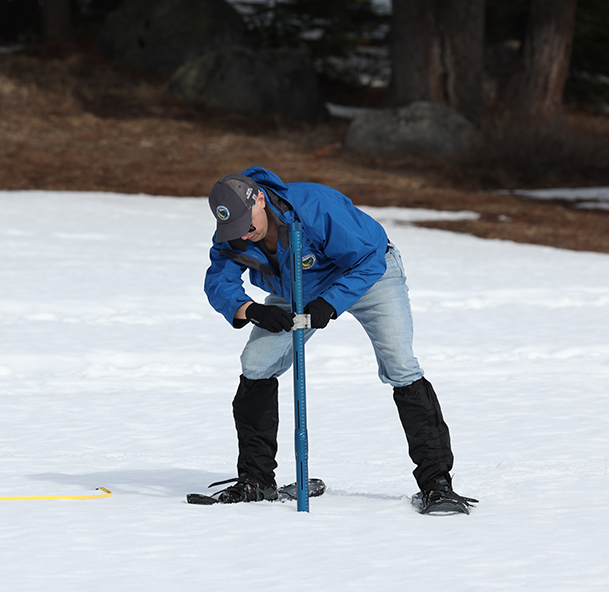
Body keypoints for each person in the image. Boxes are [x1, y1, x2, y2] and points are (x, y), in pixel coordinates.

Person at [202, 167, 477, 513]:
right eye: (233, 228)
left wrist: (330, 304)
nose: (243, 234)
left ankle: (437, 483)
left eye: (247, 221)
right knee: (255, 364)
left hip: (370, 275)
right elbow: (218, 282)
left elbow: (367, 259)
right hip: (299, 290)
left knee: (400, 365)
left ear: (259, 198)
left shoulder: (314, 206)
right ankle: (256, 480)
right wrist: (249, 310)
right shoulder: (233, 232)